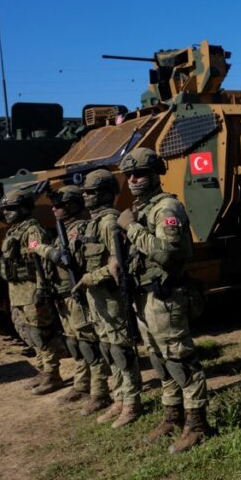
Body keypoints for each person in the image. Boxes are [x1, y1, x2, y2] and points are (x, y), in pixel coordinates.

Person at [117, 147, 210, 454]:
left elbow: (167, 254)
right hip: (145, 296)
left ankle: (197, 423)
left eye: (140, 173)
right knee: (159, 360)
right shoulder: (144, 209)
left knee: (180, 360)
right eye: (129, 174)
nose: (133, 179)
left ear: (155, 174)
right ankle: (172, 416)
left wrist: (131, 229)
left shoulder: (166, 208)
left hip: (165, 296)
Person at [73, 168, 144, 426]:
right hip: (97, 299)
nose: (85, 195)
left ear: (104, 194)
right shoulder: (93, 223)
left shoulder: (109, 222)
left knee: (122, 351)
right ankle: (119, 399)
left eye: (90, 192)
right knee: (108, 350)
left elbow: (119, 264)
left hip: (111, 298)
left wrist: (87, 279)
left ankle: (132, 403)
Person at [33, 185, 110, 408]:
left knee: (88, 344)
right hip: (62, 294)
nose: (55, 209)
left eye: (60, 205)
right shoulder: (62, 231)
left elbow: (66, 259)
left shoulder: (81, 228)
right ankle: (81, 384)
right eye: (54, 206)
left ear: (74, 205)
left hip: (77, 294)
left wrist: (41, 249)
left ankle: (99, 392)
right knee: (74, 344)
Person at [0, 188, 63, 395]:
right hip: (18, 291)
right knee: (31, 333)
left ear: (24, 208)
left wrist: (42, 288)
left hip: (33, 289)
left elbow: (42, 262)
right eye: (4, 209)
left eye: (11, 209)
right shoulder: (14, 230)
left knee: (43, 333)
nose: (6, 213)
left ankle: (53, 374)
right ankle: (43, 370)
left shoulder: (33, 230)